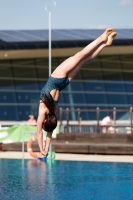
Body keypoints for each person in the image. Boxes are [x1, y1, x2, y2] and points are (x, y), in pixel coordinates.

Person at [37, 28, 117, 158]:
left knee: (84, 60)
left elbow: (49, 133)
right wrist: (41, 149)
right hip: (56, 80)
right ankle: (101, 39)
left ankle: (105, 44)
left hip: (64, 83)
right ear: (45, 120)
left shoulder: (53, 113)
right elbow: (40, 133)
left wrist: (45, 151)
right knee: (79, 56)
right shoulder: (43, 110)